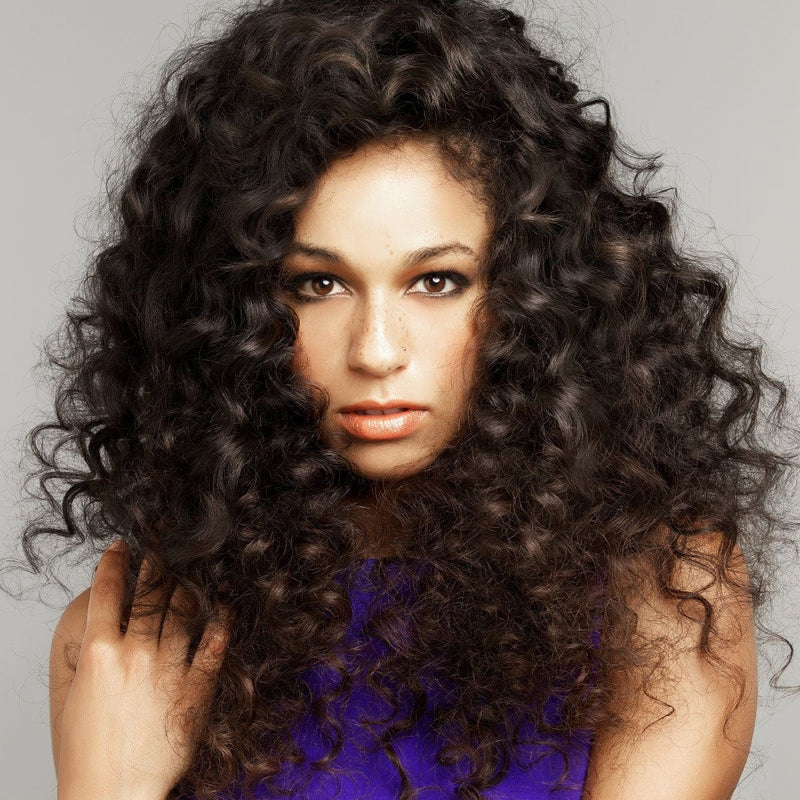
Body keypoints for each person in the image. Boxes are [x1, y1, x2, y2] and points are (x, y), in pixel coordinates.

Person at [12, 0, 799, 798]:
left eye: (437, 281)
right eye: (318, 284)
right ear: (232, 315)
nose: (376, 350)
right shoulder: (137, 637)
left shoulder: (666, 595)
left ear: (534, 296)